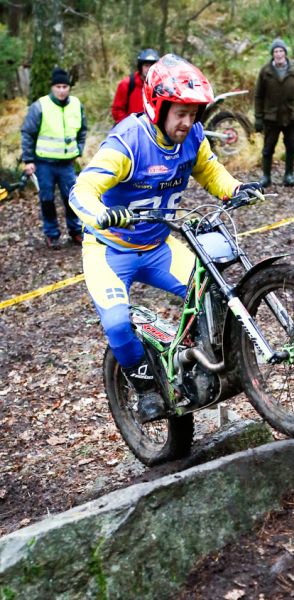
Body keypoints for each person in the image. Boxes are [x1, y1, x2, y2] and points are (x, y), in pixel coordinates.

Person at [69, 54, 262, 423]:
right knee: (117, 325)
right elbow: (82, 190)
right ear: (157, 108)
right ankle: (146, 391)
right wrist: (102, 214)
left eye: (194, 113)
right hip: (110, 250)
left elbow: (210, 172)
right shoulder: (128, 142)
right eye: (181, 113)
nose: (188, 122)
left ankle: (198, 364)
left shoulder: (193, 138)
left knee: (212, 292)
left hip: (159, 246)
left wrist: (235, 189)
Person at [21, 67, 87, 249]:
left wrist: (79, 149)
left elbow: (82, 130)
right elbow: (27, 133)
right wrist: (28, 160)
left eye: (65, 87)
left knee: (71, 198)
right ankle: (52, 234)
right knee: (47, 199)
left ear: (69, 88)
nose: (62, 90)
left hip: (67, 163)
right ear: (52, 87)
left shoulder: (76, 105)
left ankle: (75, 230)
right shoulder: (40, 106)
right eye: (58, 87)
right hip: (44, 163)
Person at [254, 38, 294, 187]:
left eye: (281, 51)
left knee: (291, 147)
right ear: (272, 54)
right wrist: (258, 118)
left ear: (285, 53)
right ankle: (266, 176)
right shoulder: (265, 71)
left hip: (291, 115)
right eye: (276, 51)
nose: (279, 54)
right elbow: (258, 96)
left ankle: (289, 175)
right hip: (271, 117)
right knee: (268, 149)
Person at [111, 48, 160, 123]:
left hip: (152, 127)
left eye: (152, 66)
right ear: (140, 67)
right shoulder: (127, 83)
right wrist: (128, 125)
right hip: (130, 127)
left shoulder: (159, 86)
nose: (149, 69)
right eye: (146, 65)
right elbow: (117, 110)